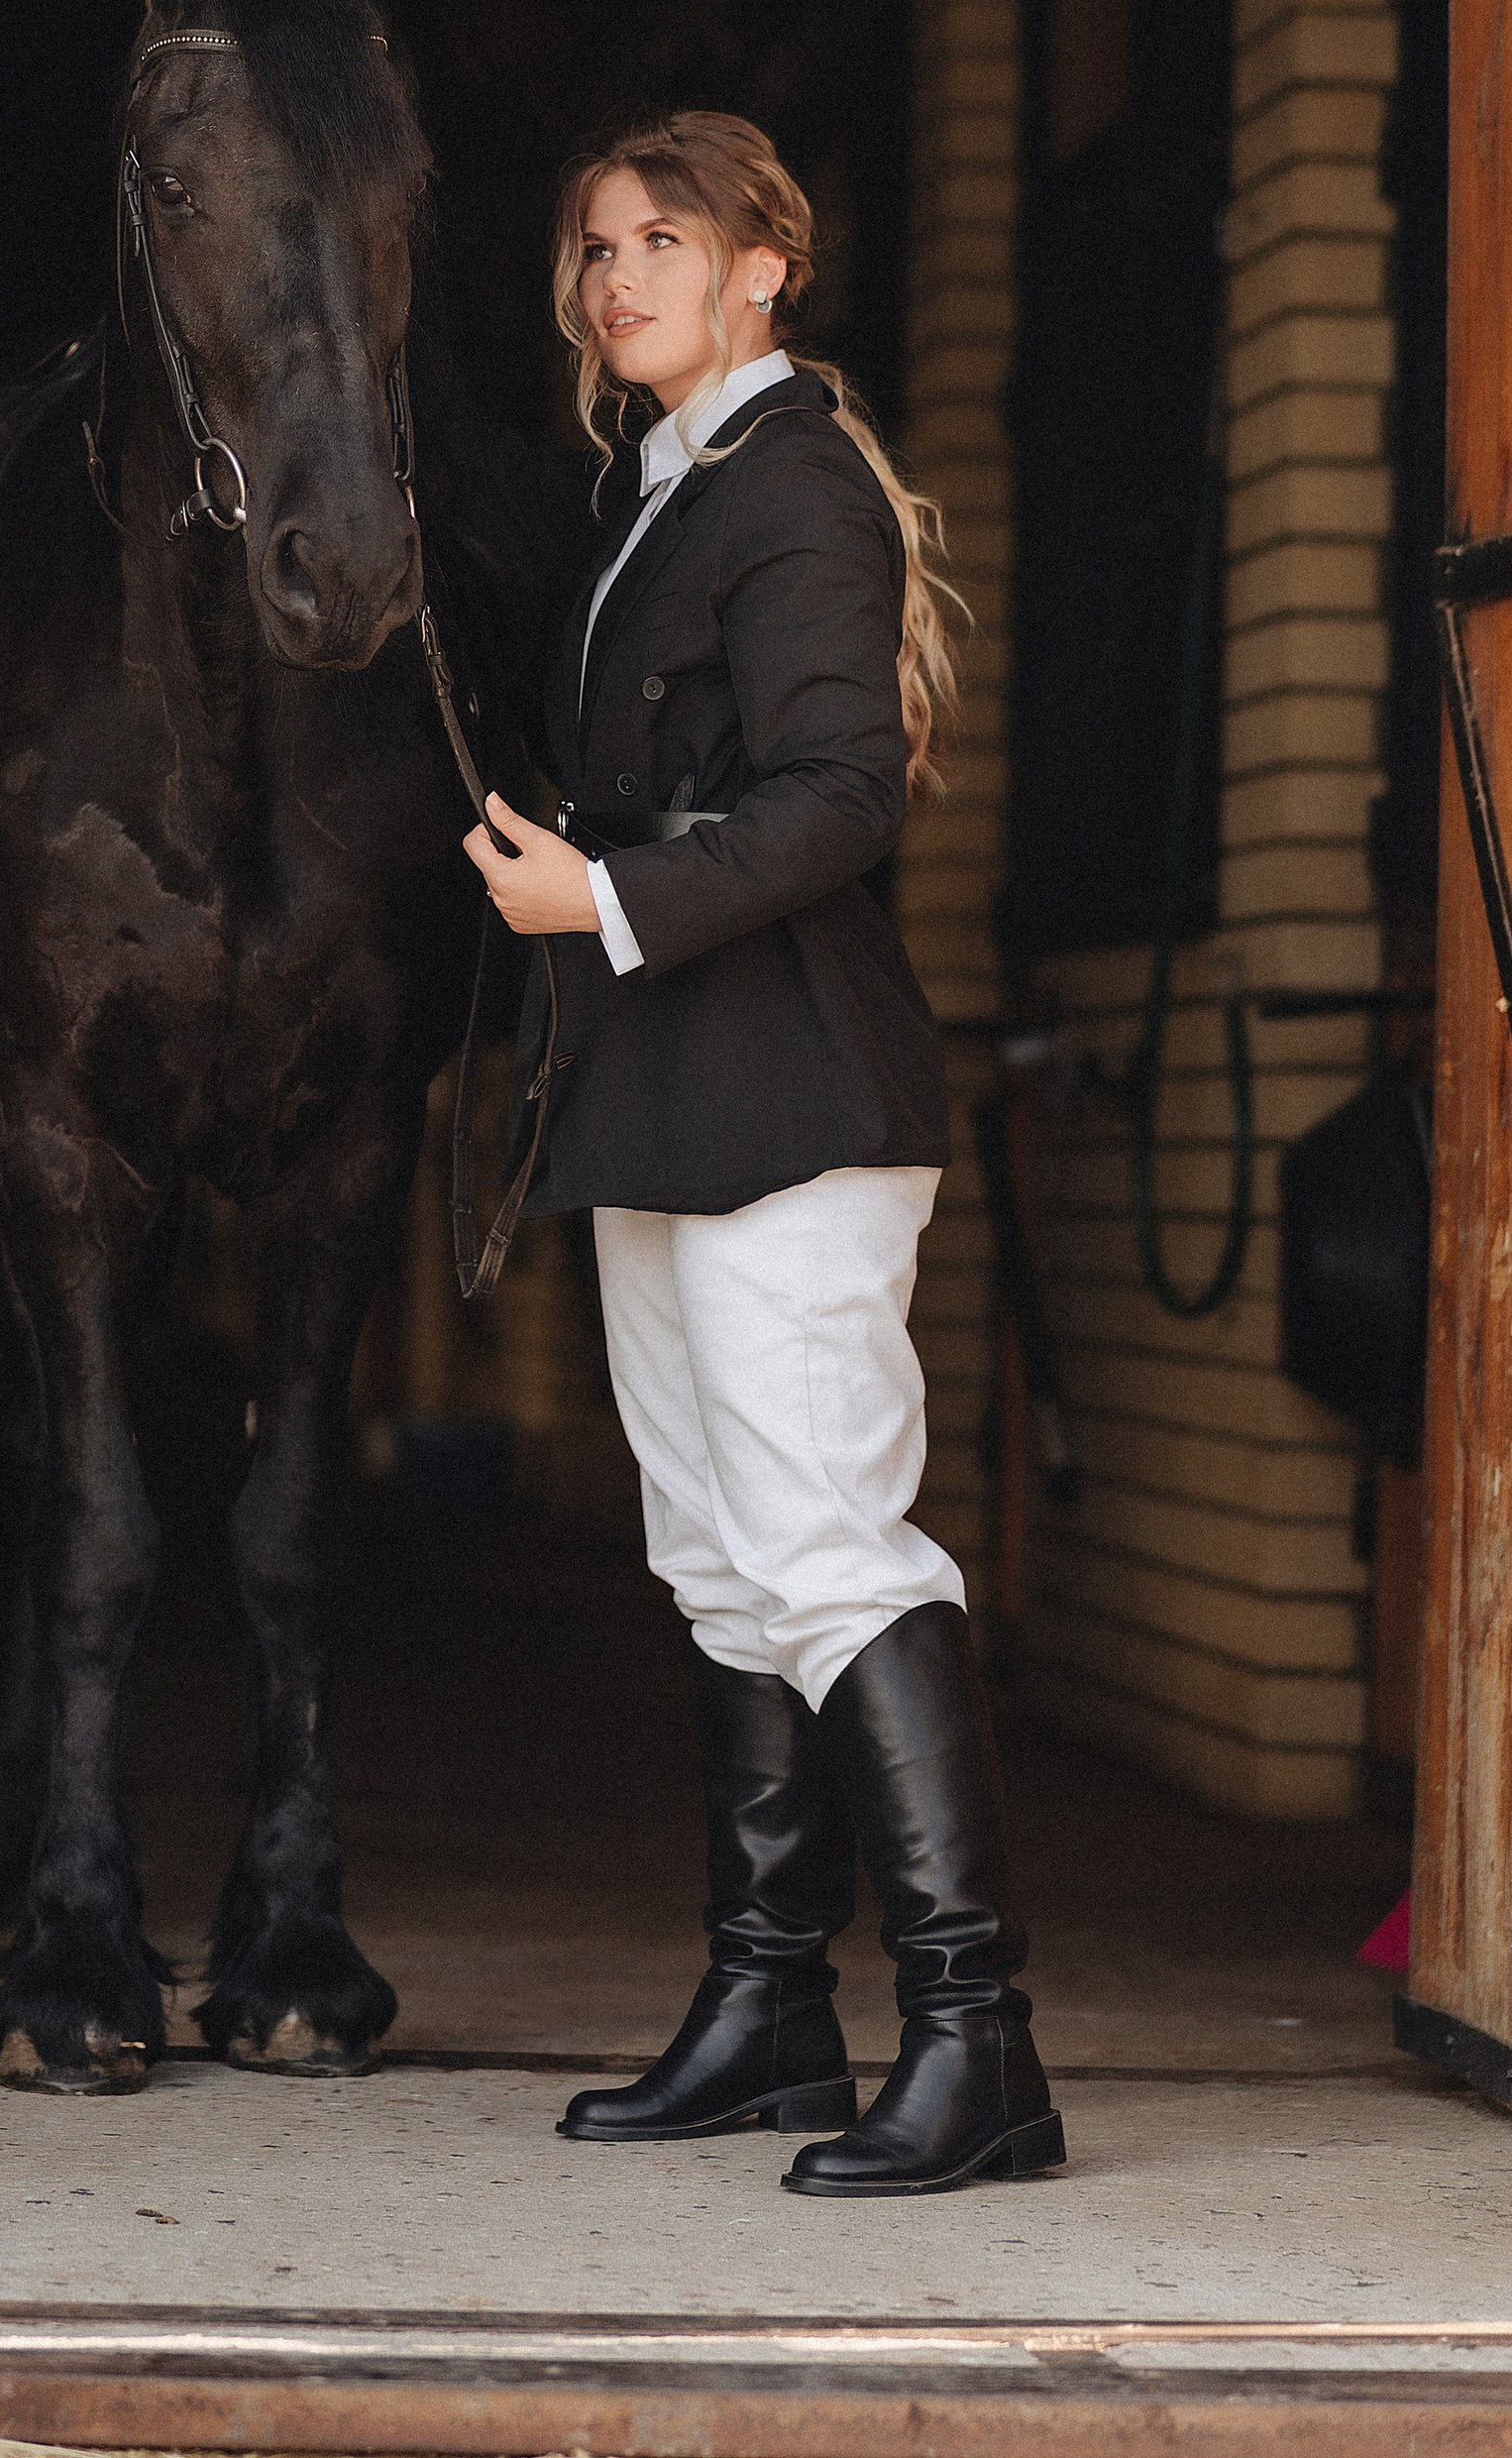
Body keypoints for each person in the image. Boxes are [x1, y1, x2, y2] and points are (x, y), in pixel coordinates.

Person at [462, 111, 1062, 2199]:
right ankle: (770, 2005)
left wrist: (604, 898)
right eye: (593, 245)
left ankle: (977, 2039)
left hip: (791, 1094)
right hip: (667, 1089)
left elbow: (839, 791)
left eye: (660, 237)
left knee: (826, 1550)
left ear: (762, 264)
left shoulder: (790, 476)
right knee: (718, 1558)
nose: (616, 274)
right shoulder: (659, 486)